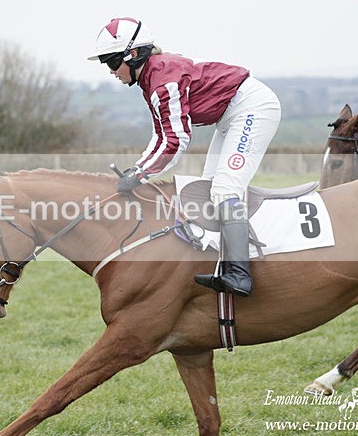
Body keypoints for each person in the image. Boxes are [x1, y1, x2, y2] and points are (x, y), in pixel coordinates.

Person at [87, 17, 281, 297]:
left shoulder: (162, 80)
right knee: (209, 188)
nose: (111, 71)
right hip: (230, 114)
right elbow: (162, 134)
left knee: (225, 190)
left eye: (111, 62)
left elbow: (176, 141)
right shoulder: (151, 76)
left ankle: (240, 275)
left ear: (132, 55)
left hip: (252, 108)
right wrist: (139, 168)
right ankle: (221, 264)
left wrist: (141, 175)